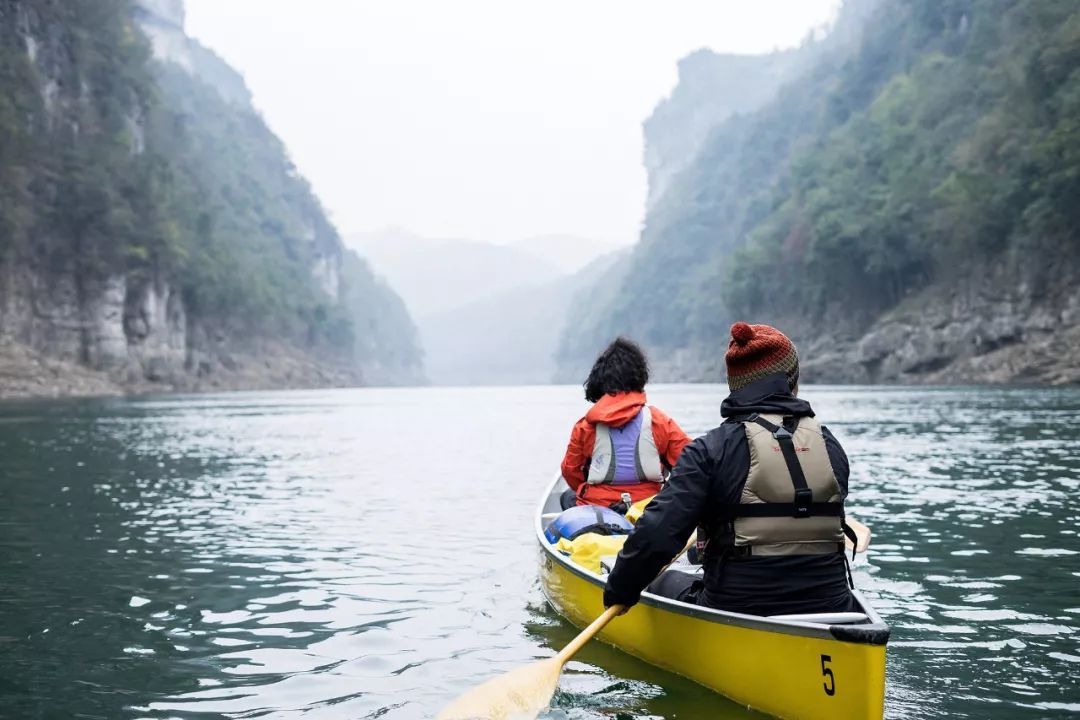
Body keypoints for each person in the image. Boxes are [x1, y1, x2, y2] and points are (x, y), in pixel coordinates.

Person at [602, 322, 858, 617]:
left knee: (664, 580)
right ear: (793, 381)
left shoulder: (709, 450)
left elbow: (656, 536)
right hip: (832, 605)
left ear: (734, 384)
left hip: (737, 606)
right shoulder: (830, 445)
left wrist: (619, 589)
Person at [559, 337, 691, 510]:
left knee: (567, 498)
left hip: (598, 508)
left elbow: (571, 472)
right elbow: (690, 464)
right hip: (649, 508)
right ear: (639, 377)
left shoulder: (585, 426)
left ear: (601, 380)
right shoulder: (659, 421)